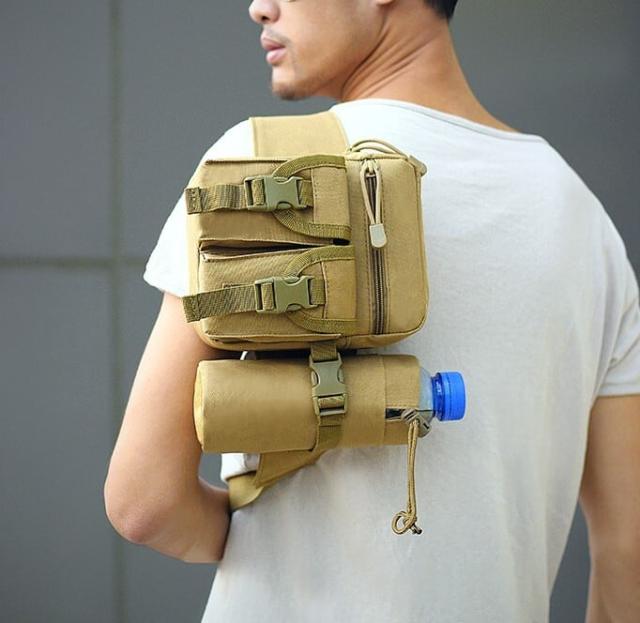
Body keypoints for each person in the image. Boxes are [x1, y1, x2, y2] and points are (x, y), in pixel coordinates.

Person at [104, 1, 640, 621]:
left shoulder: (259, 163)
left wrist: (256, 545)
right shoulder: (582, 218)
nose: (259, 7)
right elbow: (627, 550)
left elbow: (143, 503)